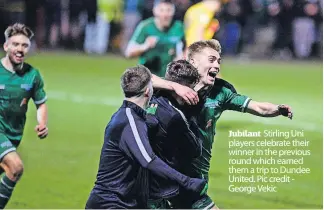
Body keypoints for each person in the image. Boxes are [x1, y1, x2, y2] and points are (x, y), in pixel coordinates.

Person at [153, 39, 293, 209]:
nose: (217, 65)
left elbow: (258, 107)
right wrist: (174, 87)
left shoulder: (221, 92)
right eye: (211, 60)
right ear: (192, 62)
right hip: (163, 175)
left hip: (195, 177)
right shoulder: (171, 86)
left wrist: (278, 109)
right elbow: (138, 79)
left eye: (219, 61)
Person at [85, 65, 207, 209]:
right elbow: (149, 161)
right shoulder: (130, 121)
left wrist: (174, 86)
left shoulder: (132, 115)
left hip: (127, 202)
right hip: (111, 203)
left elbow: (151, 79)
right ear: (148, 92)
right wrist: (187, 182)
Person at [0, 23, 48, 208]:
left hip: (13, 136)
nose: (20, 49)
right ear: (6, 46)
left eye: (24, 45)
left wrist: (42, 123)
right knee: (16, 167)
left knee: (10, 171)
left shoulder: (32, 75)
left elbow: (41, 103)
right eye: (15, 44)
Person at [145, 60, 202, 208]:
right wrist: (192, 117)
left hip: (135, 175)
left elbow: (141, 75)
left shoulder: (149, 95)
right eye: (192, 87)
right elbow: (195, 150)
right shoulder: (175, 116)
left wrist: (174, 85)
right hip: (158, 184)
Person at [125, 0, 185, 77]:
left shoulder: (178, 27)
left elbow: (184, 48)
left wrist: (180, 57)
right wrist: (145, 46)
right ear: (155, 11)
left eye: (169, 10)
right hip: (148, 77)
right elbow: (128, 53)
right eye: (161, 10)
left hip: (170, 77)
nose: (165, 14)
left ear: (174, 12)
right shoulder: (145, 26)